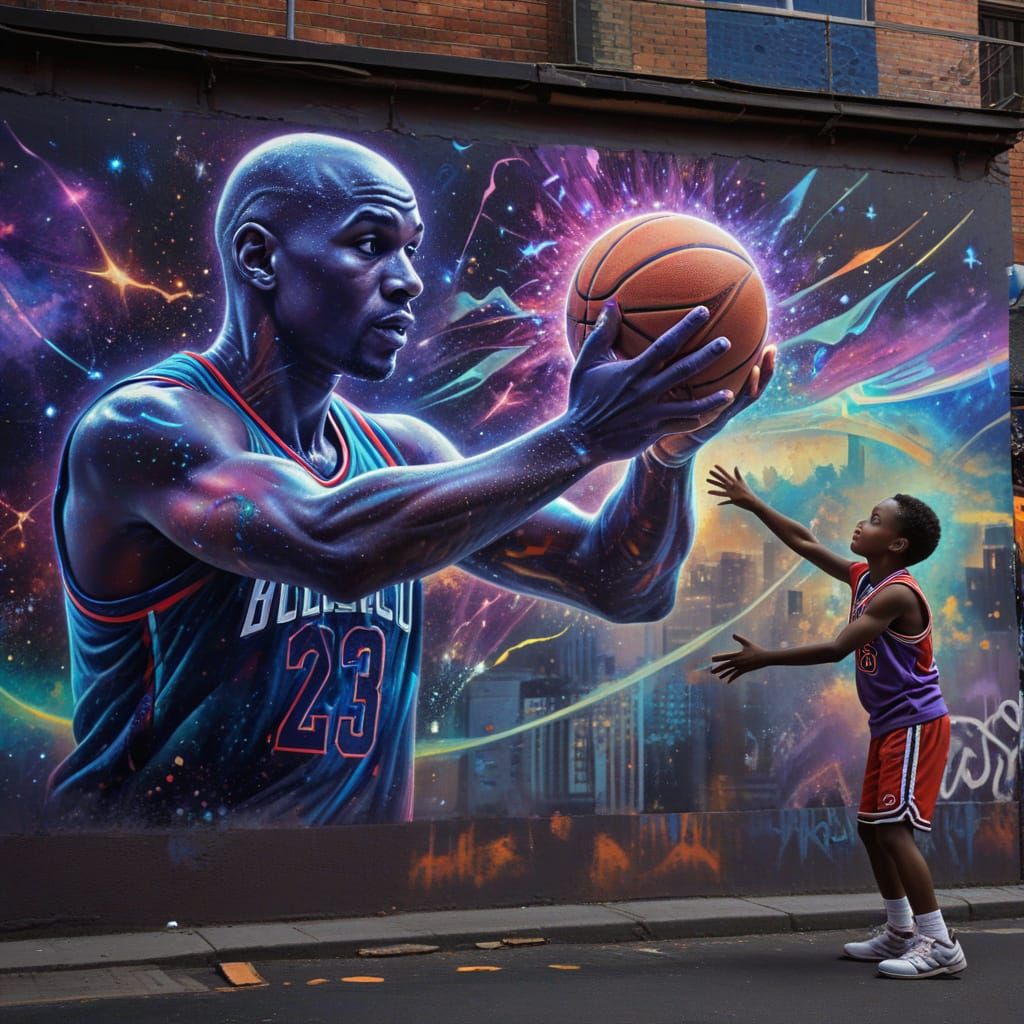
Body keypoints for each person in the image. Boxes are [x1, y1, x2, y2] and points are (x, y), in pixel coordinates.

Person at [45, 133, 774, 828]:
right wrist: (581, 436)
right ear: (260, 256)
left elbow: (620, 583)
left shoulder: (400, 452)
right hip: (163, 878)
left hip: (349, 892)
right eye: (370, 245)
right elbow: (334, 544)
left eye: (411, 250)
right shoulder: (139, 429)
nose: (408, 280)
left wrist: (664, 455)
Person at [707, 465, 963, 980]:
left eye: (874, 520)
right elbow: (804, 541)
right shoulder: (864, 576)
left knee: (893, 831)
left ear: (897, 543)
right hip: (890, 724)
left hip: (916, 724)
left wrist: (766, 657)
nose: (860, 525)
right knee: (873, 830)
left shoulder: (896, 592)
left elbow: (837, 648)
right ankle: (898, 928)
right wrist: (754, 503)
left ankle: (938, 942)